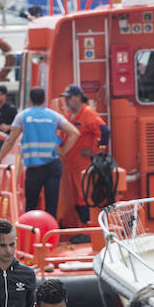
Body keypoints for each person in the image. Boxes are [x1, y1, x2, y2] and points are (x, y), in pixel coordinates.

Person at [0, 86, 79, 216]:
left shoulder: (22, 116)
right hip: (52, 165)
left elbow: (10, 141)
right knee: (51, 206)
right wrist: (62, 151)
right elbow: (75, 133)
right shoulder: (54, 116)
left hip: (34, 168)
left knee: (31, 206)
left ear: (30, 99)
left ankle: (32, 234)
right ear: (44, 99)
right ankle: (51, 234)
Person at [62, 84, 110, 224]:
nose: (66, 101)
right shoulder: (70, 115)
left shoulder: (88, 112)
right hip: (73, 165)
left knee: (87, 196)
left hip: (85, 165)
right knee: (78, 199)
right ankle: (84, 229)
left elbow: (104, 131)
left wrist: (95, 152)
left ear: (78, 97)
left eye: (69, 98)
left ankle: (91, 231)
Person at [0, 85, 17, 157]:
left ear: (4, 95)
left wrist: (8, 127)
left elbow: (19, 127)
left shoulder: (11, 109)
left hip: (6, 142)